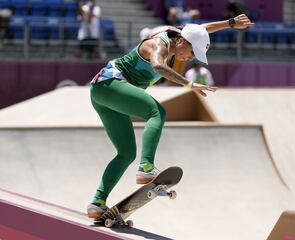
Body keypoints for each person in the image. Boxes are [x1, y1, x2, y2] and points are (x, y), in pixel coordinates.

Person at [87, 14, 254, 219]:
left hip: (102, 92)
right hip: (111, 84)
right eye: (193, 52)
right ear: (183, 41)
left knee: (126, 153)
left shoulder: (181, 36)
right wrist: (189, 84)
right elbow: (158, 66)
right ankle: (146, 167)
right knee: (157, 112)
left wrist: (229, 23)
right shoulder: (159, 45)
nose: (191, 58)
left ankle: (97, 202)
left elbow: (202, 28)